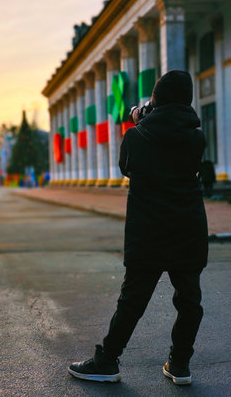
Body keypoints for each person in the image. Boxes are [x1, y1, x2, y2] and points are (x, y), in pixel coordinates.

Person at [68, 70, 208, 386]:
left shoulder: (136, 136)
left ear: (156, 100)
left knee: (132, 301)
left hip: (149, 232)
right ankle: (180, 364)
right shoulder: (197, 138)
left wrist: (140, 119)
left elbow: (126, 167)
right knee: (190, 301)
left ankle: (106, 361)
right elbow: (176, 133)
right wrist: (153, 115)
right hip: (188, 230)